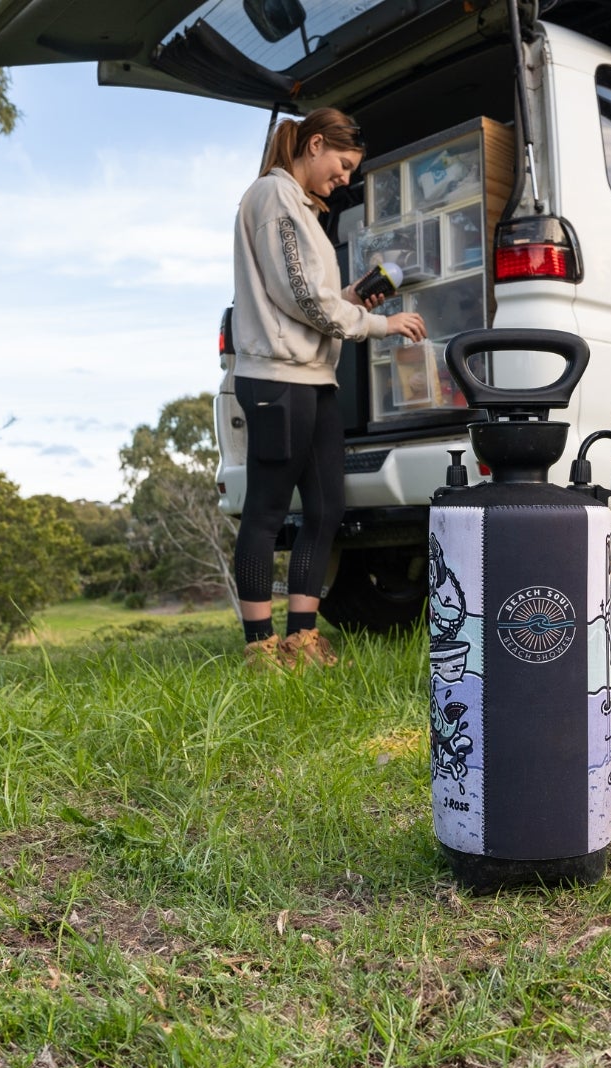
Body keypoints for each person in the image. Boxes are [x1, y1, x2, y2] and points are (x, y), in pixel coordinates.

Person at [229, 108, 426, 668]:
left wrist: (352, 298)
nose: (344, 179)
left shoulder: (302, 210)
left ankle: (303, 636)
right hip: (277, 378)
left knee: (326, 507)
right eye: (341, 165)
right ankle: (260, 647)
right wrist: (377, 324)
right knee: (267, 509)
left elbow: (311, 296)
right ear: (314, 144)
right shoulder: (274, 196)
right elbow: (303, 299)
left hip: (313, 378)